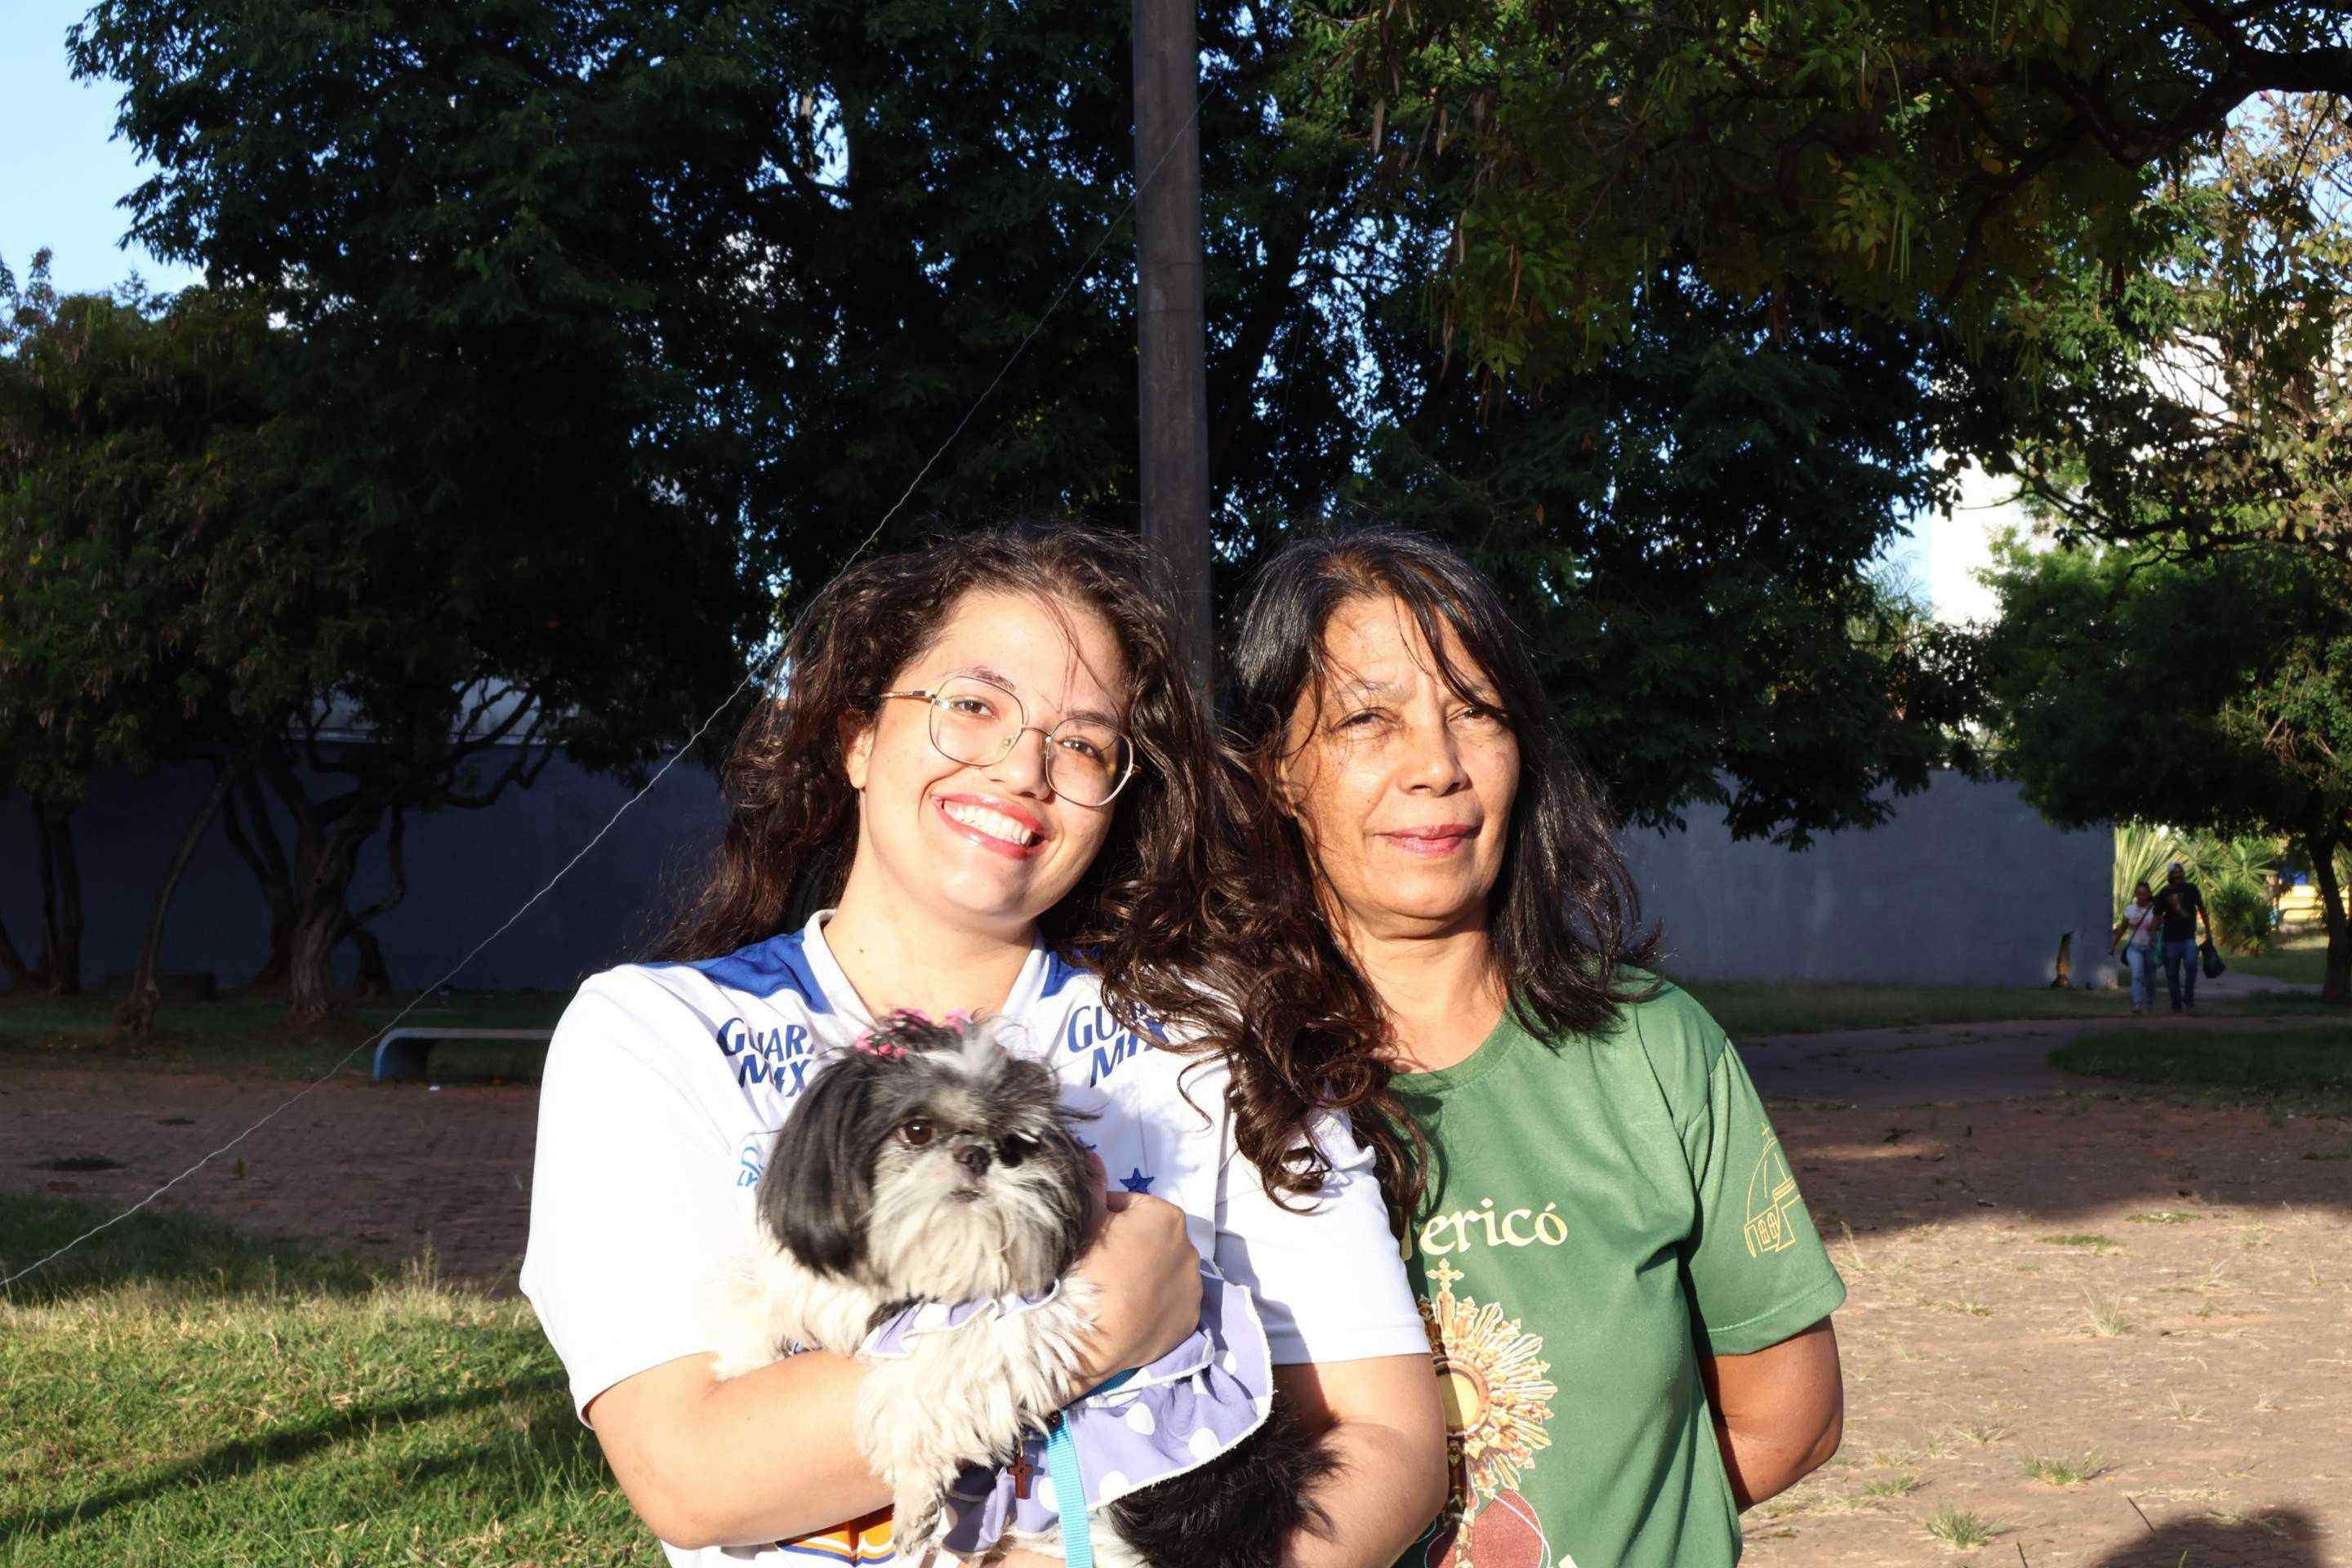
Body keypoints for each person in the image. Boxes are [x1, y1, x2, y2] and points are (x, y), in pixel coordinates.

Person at [520, 525, 1446, 1567]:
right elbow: (692, 1478)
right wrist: (1097, 1321)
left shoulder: (1217, 1042)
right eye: (973, 707)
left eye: (1085, 744)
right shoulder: (658, 1034)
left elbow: (1390, 1437)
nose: (1023, 769)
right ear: (857, 735)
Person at [1222, 529, 1846, 1568]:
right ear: (1276, 770)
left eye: (1476, 713)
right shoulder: (1198, 1076)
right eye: (1368, 720)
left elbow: (1791, 1418)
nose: (1437, 767)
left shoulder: (1653, 1046)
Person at [2153, 861, 2214, 1014]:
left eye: (2180, 872)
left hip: (2188, 938)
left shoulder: (2191, 889)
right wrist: (2153, 935)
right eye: (2175, 872)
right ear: (2170, 876)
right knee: (2172, 974)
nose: (2179, 875)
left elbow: (2202, 909)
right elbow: (2157, 915)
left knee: (2192, 966)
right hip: (2170, 940)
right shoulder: (2164, 892)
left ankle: (2188, 999)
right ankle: (2176, 1004)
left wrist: (2208, 931)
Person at [2112, 880, 2162, 1017]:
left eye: (2144, 894)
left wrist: (2154, 930)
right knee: (2137, 974)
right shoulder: (2129, 910)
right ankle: (2137, 1004)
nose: (2141, 897)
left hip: (2150, 948)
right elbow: (2122, 929)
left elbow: (2159, 927)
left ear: (2149, 895)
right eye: (2139, 894)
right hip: (2134, 948)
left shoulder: (2155, 910)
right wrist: (2113, 946)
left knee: (2150, 978)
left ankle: (2150, 1003)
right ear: (2136, 895)